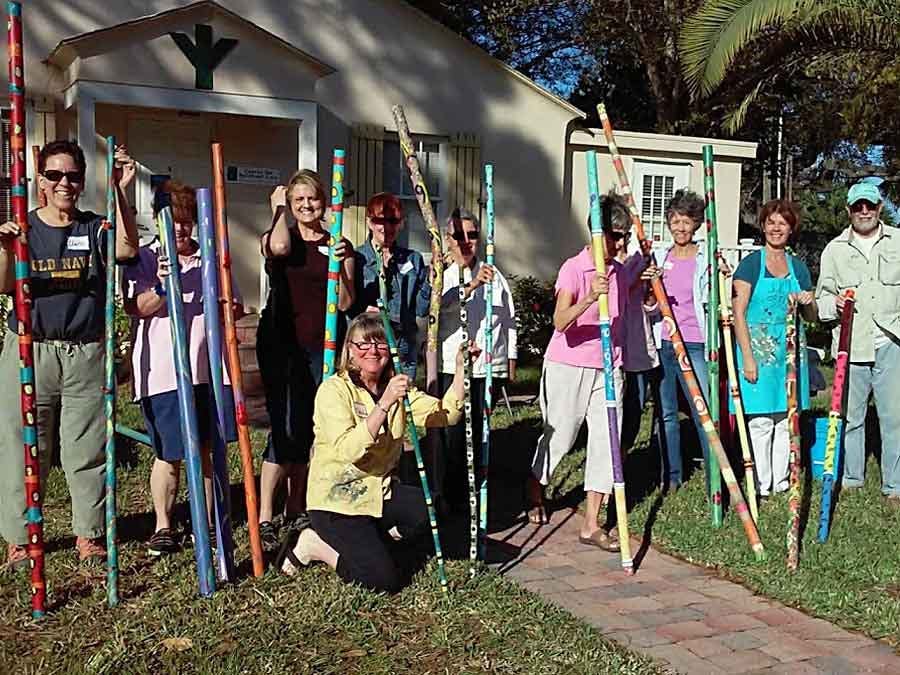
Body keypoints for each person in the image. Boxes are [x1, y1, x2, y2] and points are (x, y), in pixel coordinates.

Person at [0, 140, 139, 568]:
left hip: (85, 353)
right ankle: (21, 537)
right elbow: (4, 285)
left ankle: (90, 535)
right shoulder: (23, 229)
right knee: (24, 447)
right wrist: (6, 247)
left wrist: (120, 190)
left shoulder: (95, 227)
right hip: (30, 350)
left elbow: (126, 251)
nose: (64, 183)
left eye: (73, 176)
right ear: (41, 180)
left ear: (81, 182)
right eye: (55, 175)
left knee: (87, 448)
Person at [277, 312, 473, 593]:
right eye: (363, 345)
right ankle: (315, 545)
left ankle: (375, 538)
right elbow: (348, 450)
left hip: (380, 492)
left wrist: (460, 370)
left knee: (435, 511)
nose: (373, 351)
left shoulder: (396, 388)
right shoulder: (334, 391)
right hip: (337, 501)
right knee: (382, 580)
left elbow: (446, 414)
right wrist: (383, 405)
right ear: (350, 351)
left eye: (380, 345)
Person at [122, 180, 240, 556]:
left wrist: (228, 306)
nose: (180, 229)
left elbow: (232, 308)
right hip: (163, 373)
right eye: (173, 220)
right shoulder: (143, 257)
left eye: (187, 221)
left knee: (206, 450)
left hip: (209, 371)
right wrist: (161, 283)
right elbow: (135, 307)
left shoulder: (211, 259)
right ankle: (163, 525)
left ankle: (204, 521)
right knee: (169, 453)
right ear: (159, 222)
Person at [257, 169, 356, 552]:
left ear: (324, 201)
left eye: (311, 199)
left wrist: (340, 261)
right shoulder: (279, 235)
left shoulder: (338, 243)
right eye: (298, 200)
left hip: (322, 345)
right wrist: (278, 210)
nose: (306, 206)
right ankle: (266, 513)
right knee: (283, 427)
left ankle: (295, 505)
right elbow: (278, 249)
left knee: (310, 427)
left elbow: (347, 302)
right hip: (282, 345)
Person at [527, 208, 631, 551]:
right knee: (562, 436)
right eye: (614, 234)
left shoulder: (620, 272)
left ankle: (591, 523)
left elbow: (637, 303)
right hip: (568, 365)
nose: (620, 242)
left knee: (606, 442)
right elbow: (560, 322)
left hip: (608, 366)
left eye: (624, 235)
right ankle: (535, 489)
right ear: (597, 233)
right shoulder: (574, 268)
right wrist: (590, 297)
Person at [816, 182, 900, 502]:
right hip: (851, 345)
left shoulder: (898, 241)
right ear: (848, 210)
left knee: (894, 417)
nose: (864, 211)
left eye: (869, 205)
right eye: (857, 206)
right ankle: (852, 479)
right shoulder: (834, 250)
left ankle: (894, 485)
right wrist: (833, 304)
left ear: (879, 208)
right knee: (851, 417)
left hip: (891, 341)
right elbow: (821, 304)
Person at [732, 199, 816, 498]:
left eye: (783, 222)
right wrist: (748, 359)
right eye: (771, 222)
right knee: (761, 420)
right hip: (758, 352)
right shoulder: (751, 264)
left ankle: (781, 482)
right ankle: (760, 483)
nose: (776, 228)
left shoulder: (799, 267)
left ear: (791, 228)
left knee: (786, 419)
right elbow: (738, 312)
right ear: (763, 226)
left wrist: (809, 302)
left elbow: (811, 317)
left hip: (790, 355)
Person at [437, 208, 517, 512]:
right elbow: (440, 310)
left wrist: (509, 362)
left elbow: (509, 320)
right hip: (452, 367)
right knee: (451, 435)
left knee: (480, 434)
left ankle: (475, 493)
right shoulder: (443, 276)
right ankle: (450, 495)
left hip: (488, 368)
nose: (466, 242)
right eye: (459, 235)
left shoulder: (493, 274)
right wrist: (471, 288)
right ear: (448, 239)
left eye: (472, 235)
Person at [644, 190, 712, 492]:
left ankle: (715, 475)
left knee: (702, 411)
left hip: (695, 342)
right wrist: (650, 287)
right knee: (666, 413)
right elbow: (649, 307)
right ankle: (671, 477)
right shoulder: (659, 257)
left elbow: (714, 298)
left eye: (686, 222)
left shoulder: (706, 256)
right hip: (665, 343)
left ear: (695, 224)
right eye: (675, 222)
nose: (681, 228)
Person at [352, 193, 430, 379]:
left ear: (401, 223)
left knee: (403, 401)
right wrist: (364, 312)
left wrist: (430, 281)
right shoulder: (356, 259)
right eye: (379, 220)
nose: (386, 227)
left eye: (393, 221)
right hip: (369, 346)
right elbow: (347, 305)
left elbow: (421, 309)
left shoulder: (413, 259)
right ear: (369, 222)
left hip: (403, 344)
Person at [610, 195, 662, 468]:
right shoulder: (605, 264)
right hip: (614, 345)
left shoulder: (640, 259)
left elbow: (651, 308)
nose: (622, 239)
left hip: (639, 344)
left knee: (635, 406)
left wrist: (652, 286)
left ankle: (623, 455)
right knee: (613, 408)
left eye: (626, 233)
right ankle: (608, 461)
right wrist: (633, 276)